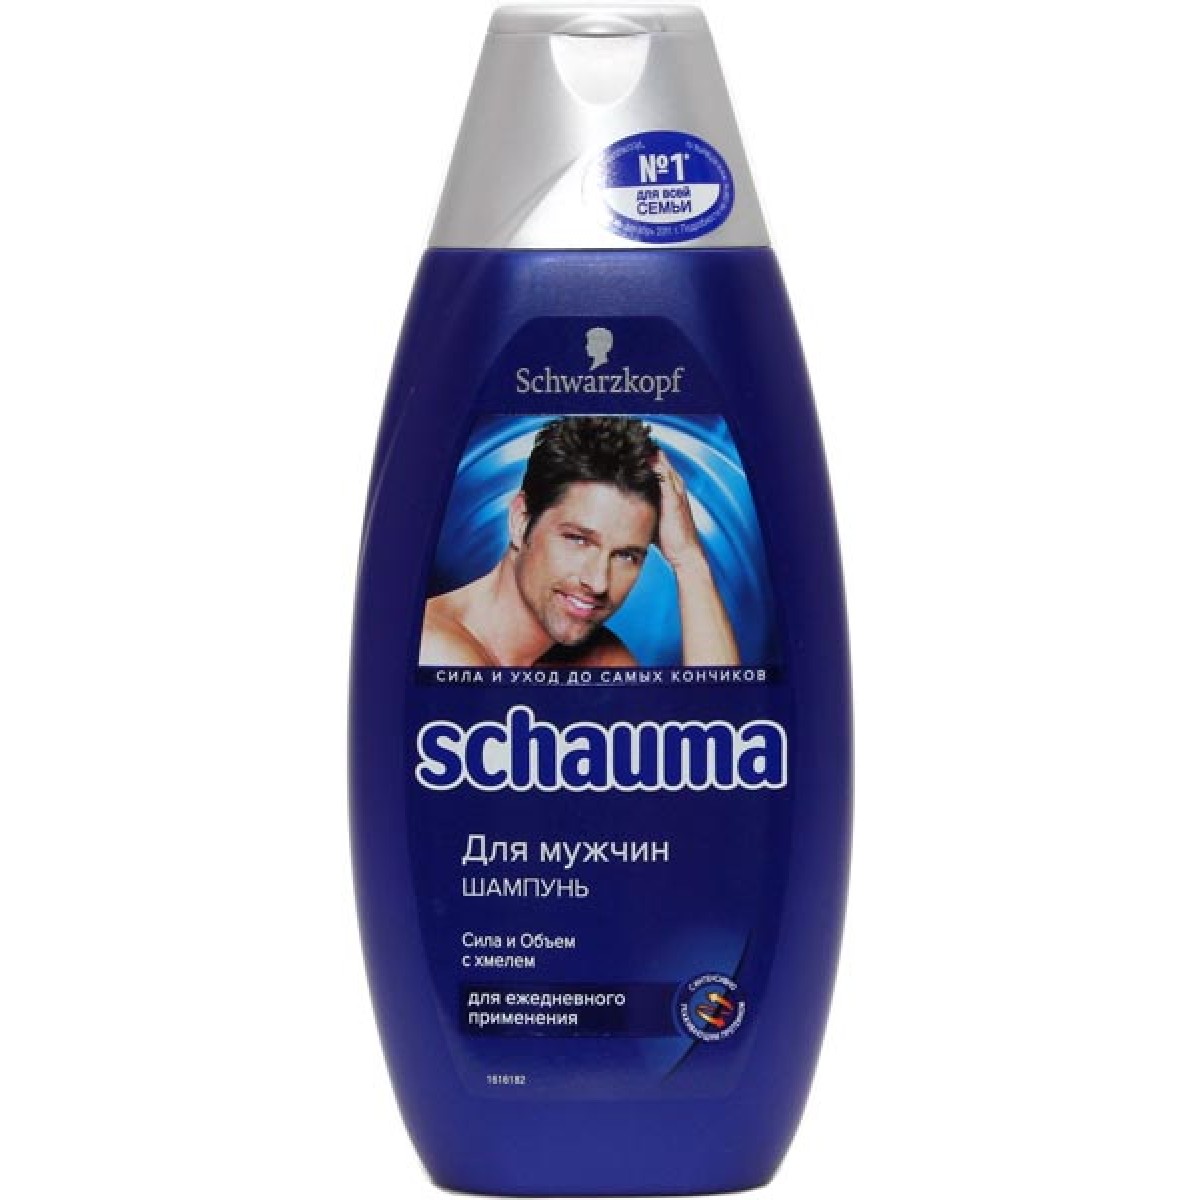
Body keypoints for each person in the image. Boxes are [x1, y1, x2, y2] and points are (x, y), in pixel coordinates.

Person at [420, 416, 739, 668]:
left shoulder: (601, 660)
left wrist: (688, 560)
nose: (598, 583)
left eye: (626, 556)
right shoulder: (433, 650)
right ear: (521, 520)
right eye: (578, 539)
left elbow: (723, 724)